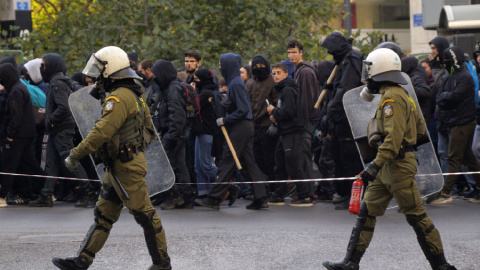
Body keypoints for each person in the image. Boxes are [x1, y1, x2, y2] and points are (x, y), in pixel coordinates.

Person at [322, 48, 456, 270]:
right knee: (367, 212)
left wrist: (373, 166)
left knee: (417, 217)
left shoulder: (392, 99)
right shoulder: (395, 94)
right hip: (388, 167)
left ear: (381, 71)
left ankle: (441, 265)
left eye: (370, 72)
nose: (367, 78)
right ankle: (350, 263)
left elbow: (393, 142)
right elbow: (418, 129)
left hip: (397, 167)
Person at [52, 46, 171, 270]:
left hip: (126, 166)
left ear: (111, 68)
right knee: (104, 215)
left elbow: (101, 132)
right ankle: (82, 260)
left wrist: (75, 154)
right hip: (119, 165)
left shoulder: (119, 98)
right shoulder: (131, 93)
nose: (96, 75)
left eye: (99, 69)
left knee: (145, 215)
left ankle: (162, 264)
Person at [195, 53, 268, 210]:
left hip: (239, 127)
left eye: (221, 64)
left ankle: (214, 197)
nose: (220, 67)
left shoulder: (235, 84)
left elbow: (242, 109)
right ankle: (261, 197)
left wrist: (225, 120)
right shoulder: (235, 83)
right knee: (249, 163)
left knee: (227, 160)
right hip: (244, 126)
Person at [29, 53, 95, 208]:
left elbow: (64, 107)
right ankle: (46, 194)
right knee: (51, 163)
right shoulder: (56, 81)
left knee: (69, 161)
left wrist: (51, 119)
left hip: (61, 128)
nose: (42, 69)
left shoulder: (58, 82)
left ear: (52, 65)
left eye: (44, 65)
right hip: (56, 129)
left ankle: (89, 192)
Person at [428, 46, 480, 204]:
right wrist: (445, 97)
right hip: (455, 122)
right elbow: (441, 96)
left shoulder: (464, 77)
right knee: (468, 159)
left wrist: (445, 97)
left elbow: (453, 97)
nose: (444, 64)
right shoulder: (450, 76)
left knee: (453, 158)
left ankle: (445, 193)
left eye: (447, 61)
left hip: (462, 123)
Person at [320, 33, 364, 209]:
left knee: (350, 159)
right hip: (340, 118)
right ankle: (344, 192)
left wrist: (330, 110)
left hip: (348, 117)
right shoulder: (344, 59)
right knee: (339, 157)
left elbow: (346, 88)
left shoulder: (351, 59)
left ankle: (354, 194)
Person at [0, 63, 46, 208]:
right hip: (26, 133)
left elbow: (16, 116)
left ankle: (1, 196)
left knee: (9, 164)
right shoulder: (20, 88)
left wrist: (10, 136)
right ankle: (47, 188)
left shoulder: (15, 91)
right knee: (29, 164)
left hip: (18, 135)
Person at [151, 59, 194, 210]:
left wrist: (170, 137)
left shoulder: (173, 90)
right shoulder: (169, 89)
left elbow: (177, 116)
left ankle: (177, 195)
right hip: (175, 134)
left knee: (171, 166)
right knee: (178, 165)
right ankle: (183, 197)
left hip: (175, 135)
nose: (155, 78)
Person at [285, 39, 319, 205]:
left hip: (305, 122)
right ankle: (304, 192)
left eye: (294, 52)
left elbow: (305, 101)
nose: (291, 55)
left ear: (301, 52)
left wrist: (302, 124)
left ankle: (307, 194)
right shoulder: (298, 71)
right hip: (304, 122)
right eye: (289, 52)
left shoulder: (304, 72)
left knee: (304, 158)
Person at [267, 63, 305, 206]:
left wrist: (273, 111)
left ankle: (304, 194)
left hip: (292, 132)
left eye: (278, 73)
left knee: (294, 164)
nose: (275, 76)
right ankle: (279, 193)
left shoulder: (288, 90)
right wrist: (276, 116)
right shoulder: (283, 90)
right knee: (280, 163)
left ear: (285, 74)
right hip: (284, 132)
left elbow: (289, 113)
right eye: (273, 73)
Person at [248, 54, 278, 188]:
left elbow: (278, 102)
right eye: (256, 66)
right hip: (254, 127)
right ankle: (265, 186)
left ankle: (274, 186)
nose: (259, 68)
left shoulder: (272, 81)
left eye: (261, 66)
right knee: (257, 158)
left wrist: (275, 122)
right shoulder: (250, 83)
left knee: (269, 159)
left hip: (268, 126)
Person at [191, 68, 221, 198]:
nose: (194, 82)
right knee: (198, 166)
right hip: (200, 131)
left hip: (207, 132)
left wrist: (191, 92)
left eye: (197, 80)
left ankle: (227, 183)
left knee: (206, 166)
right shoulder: (205, 92)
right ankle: (203, 192)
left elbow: (193, 105)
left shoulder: (206, 93)